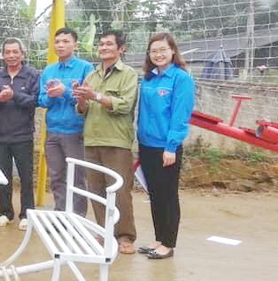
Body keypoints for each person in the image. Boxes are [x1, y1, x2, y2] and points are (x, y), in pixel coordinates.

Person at [73, 30, 139, 254]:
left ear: (121, 49)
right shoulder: (91, 76)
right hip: (92, 140)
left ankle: (125, 235)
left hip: (116, 140)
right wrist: (82, 99)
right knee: (96, 189)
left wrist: (96, 96)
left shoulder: (128, 74)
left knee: (120, 190)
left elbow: (125, 105)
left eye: (109, 44)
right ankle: (104, 231)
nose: (103, 48)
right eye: (101, 44)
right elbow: (83, 110)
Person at [137, 33, 195, 260]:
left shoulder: (181, 78)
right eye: (154, 51)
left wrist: (171, 146)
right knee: (155, 194)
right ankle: (159, 238)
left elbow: (180, 116)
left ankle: (168, 243)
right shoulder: (149, 78)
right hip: (146, 145)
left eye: (163, 50)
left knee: (168, 194)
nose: (158, 54)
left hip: (166, 148)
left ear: (172, 51)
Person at [0, 38, 40, 230]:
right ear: (3, 55)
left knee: (26, 177)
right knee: (3, 177)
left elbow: (35, 101)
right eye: (7, 52)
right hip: (1, 135)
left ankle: (27, 214)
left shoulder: (32, 75)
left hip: (23, 135)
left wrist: (14, 95)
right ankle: (5, 212)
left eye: (15, 52)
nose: (11, 55)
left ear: (22, 54)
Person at [38, 27, 94, 216]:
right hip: (52, 131)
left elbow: (88, 100)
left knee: (77, 177)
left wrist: (66, 92)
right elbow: (41, 100)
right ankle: (61, 215)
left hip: (75, 132)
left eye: (65, 41)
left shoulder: (86, 68)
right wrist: (51, 95)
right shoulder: (49, 70)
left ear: (75, 45)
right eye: (57, 42)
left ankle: (77, 218)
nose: (60, 45)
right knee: (56, 177)